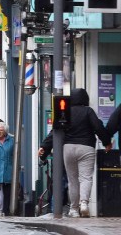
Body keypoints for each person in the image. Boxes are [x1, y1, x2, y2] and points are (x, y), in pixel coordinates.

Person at [38, 88, 112, 217]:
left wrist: (44, 146)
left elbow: (55, 131)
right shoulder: (88, 111)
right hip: (86, 148)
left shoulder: (65, 112)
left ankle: (73, 209)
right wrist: (106, 142)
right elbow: (98, 127)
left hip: (69, 148)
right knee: (86, 178)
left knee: (72, 180)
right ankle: (84, 204)